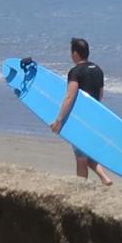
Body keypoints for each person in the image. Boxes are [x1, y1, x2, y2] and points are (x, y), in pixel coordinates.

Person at [50, 37, 113, 186]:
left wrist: (59, 120)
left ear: (76, 54)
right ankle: (105, 178)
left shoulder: (75, 71)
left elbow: (70, 97)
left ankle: (80, 187)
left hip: (80, 119)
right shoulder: (98, 70)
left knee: (80, 157)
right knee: (86, 152)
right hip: (95, 118)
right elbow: (100, 96)